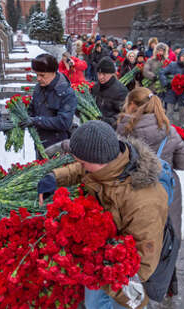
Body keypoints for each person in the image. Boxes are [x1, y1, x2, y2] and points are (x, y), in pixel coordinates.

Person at [37, 121, 170, 308]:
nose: (79, 165)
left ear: (99, 161)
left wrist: (103, 274)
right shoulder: (112, 160)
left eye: (81, 161)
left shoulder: (143, 202)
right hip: (102, 260)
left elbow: (142, 266)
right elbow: (83, 169)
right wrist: (55, 178)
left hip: (122, 276)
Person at [117, 88, 184, 296]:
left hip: (136, 189)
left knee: (139, 237)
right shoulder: (169, 130)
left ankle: (136, 282)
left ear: (132, 105)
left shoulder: (125, 127)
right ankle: (168, 283)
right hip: (167, 191)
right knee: (169, 235)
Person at [24, 53, 77, 149]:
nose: (38, 78)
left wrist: (37, 121)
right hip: (40, 143)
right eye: (36, 74)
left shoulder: (66, 92)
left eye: (42, 75)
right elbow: (33, 108)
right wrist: (23, 115)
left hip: (58, 145)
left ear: (53, 72)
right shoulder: (39, 88)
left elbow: (64, 122)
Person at [159, 48, 184, 126]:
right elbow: (162, 72)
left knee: (183, 112)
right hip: (172, 91)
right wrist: (165, 83)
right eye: (182, 56)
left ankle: (182, 128)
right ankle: (167, 128)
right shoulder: (172, 65)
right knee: (169, 111)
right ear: (179, 56)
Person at [91, 57, 129, 129]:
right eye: (99, 73)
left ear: (112, 74)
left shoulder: (120, 90)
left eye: (104, 74)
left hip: (111, 129)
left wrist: (108, 121)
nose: (100, 77)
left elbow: (124, 114)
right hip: (95, 126)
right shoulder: (95, 87)